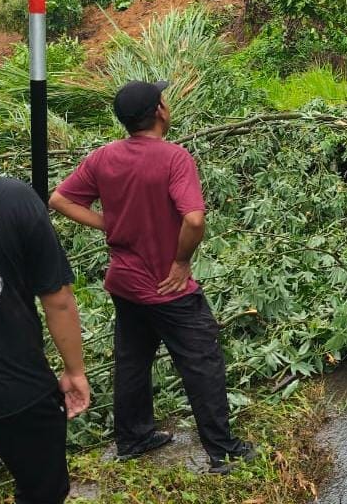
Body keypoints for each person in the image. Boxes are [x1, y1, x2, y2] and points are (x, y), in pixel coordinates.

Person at [50, 80, 254, 474]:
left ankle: (133, 438)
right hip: (168, 288)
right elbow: (194, 219)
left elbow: (60, 199)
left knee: (133, 360)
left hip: (124, 284)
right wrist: (180, 262)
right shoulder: (174, 158)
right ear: (160, 111)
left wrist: (107, 224)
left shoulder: (103, 157)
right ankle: (222, 451)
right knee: (202, 362)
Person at [0, 74, 90, 504]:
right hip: (18, 390)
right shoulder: (16, 198)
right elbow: (58, 298)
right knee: (43, 491)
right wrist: (75, 371)